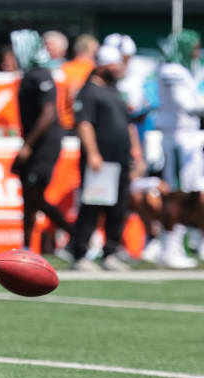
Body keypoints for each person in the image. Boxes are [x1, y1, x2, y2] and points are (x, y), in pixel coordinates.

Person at [70, 45, 142, 272]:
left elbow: (128, 124)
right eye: (114, 65)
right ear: (102, 67)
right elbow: (84, 124)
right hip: (101, 159)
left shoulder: (114, 91)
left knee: (118, 208)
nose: (119, 69)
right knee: (92, 205)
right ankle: (80, 253)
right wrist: (92, 153)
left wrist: (136, 151)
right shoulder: (89, 91)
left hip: (119, 159)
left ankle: (110, 252)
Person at [9, 30, 73, 253]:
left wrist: (28, 145)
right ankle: (26, 245)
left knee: (34, 196)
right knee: (29, 195)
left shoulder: (40, 75)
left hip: (44, 145)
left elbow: (48, 114)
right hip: (36, 143)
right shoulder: (32, 74)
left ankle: (74, 233)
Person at [156, 29, 204, 268]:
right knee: (176, 193)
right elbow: (185, 104)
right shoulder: (171, 70)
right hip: (177, 138)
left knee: (194, 192)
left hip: (190, 137)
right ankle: (168, 247)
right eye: (194, 46)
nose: (197, 51)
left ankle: (186, 241)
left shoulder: (185, 70)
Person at [60, 34, 99, 132]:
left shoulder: (64, 67)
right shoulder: (93, 69)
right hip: (82, 124)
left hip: (64, 122)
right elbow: (74, 94)